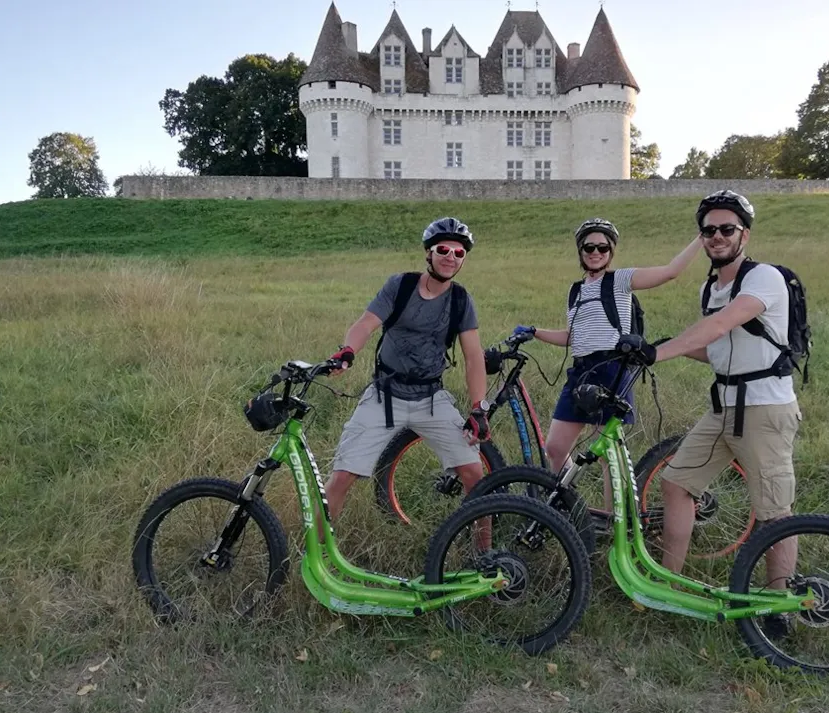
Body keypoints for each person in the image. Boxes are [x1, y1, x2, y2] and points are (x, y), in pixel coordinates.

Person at [619, 190, 801, 622]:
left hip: (763, 409)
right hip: (723, 407)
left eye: (726, 229)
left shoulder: (764, 278)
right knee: (676, 483)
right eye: (708, 230)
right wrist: (660, 346)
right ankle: (668, 586)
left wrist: (660, 353)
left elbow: (719, 326)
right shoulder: (710, 286)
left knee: (774, 511)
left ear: (745, 235)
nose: (716, 236)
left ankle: (779, 606)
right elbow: (717, 349)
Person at [511, 217, 703, 512]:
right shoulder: (575, 291)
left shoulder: (621, 280)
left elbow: (670, 272)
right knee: (556, 448)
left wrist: (703, 236)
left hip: (612, 370)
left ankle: (612, 521)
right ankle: (569, 508)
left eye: (603, 247)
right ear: (581, 251)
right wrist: (536, 332)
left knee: (607, 458)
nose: (596, 252)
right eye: (589, 246)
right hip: (580, 372)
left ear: (611, 251)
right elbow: (574, 337)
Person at [324, 217, 491, 521]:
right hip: (385, 395)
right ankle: (319, 553)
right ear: (429, 253)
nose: (450, 258)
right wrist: (347, 351)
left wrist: (479, 408)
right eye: (443, 250)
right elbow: (365, 324)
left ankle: (484, 555)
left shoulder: (461, 300)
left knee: (474, 473)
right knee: (342, 475)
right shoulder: (399, 286)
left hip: (431, 398)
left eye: (458, 253)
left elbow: (473, 357)